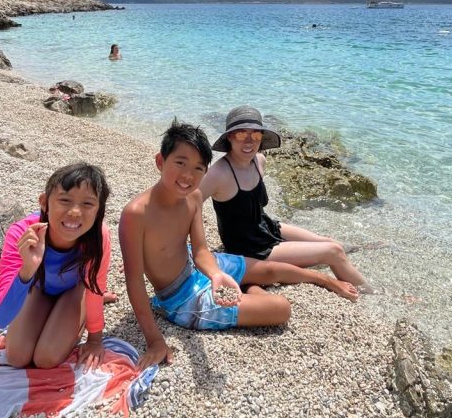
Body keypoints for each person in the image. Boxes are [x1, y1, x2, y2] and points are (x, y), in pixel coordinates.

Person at [119, 121, 358, 368]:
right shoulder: (136, 214)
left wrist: (215, 274)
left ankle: (323, 279)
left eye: (198, 168)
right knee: (281, 308)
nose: (188, 175)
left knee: (270, 269)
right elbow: (134, 281)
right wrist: (155, 340)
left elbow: (200, 250)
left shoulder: (193, 197)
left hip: (195, 264)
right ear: (160, 161)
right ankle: (250, 287)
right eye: (180, 163)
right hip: (181, 298)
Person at [199, 106, 370, 291]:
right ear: (229, 137)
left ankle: (362, 248)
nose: (249, 141)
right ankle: (371, 293)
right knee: (334, 252)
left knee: (328, 241)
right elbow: (189, 204)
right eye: (241, 134)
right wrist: (195, 248)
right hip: (250, 248)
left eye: (255, 134)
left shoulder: (259, 161)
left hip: (265, 227)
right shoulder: (218, 174)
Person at [0, 163, 112, 370]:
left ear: (99, 210)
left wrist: (94, 340)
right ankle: (53, 312)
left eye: (87, 204)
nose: (75, 212)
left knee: (46, 358)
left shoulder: (98, 237)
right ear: (44, 202)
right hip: (39, 288)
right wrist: (27, 269)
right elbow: (0, 319)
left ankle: (77, 313)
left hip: (74, 291)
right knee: (17, 357)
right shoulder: (23, 234)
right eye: (65, 200)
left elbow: (95, 286)